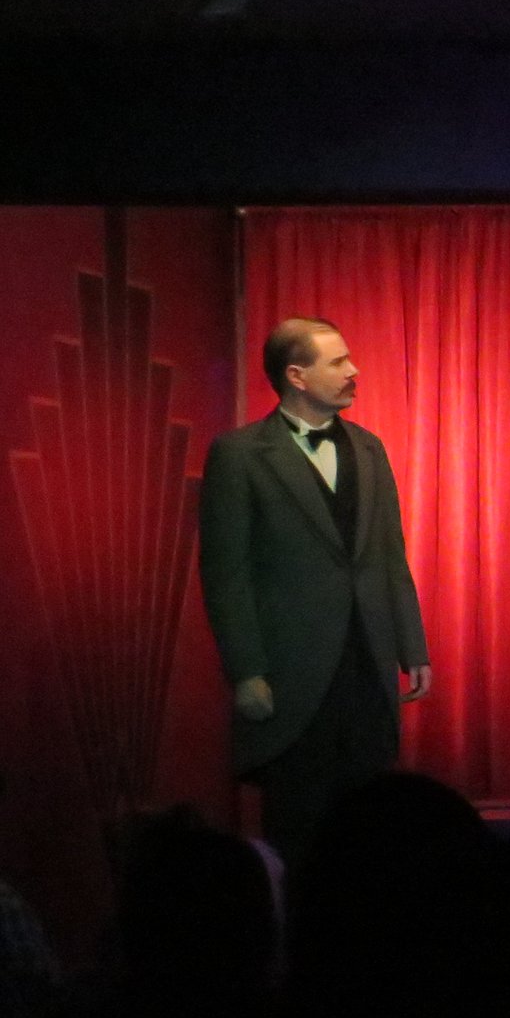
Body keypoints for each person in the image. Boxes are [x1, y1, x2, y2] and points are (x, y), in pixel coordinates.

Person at [198, 318, 430, 856]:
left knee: (370, 829)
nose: (354, 371)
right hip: (292, 673)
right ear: (296, 376)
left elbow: (390, 556)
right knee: (300, 826)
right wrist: (246, 671)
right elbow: (226, 573)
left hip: (367, 666)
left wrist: (412, 646)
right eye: (338, 362)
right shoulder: (239, 454)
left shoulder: (369, 448)